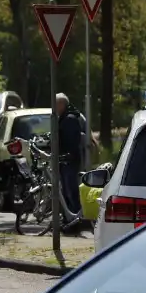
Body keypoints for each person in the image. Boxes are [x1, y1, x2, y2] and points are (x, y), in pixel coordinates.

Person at [55, 93, 84, 227]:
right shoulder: (64, 118)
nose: (54, 107)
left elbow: (72, 141)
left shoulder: (70, 119)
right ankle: (69, 219)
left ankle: (76, 219)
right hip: (65, 160)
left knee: (70, 190)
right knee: (66, 190)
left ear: (62, 104)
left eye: (56, 104)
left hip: (70, 161)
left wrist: (66, 154)